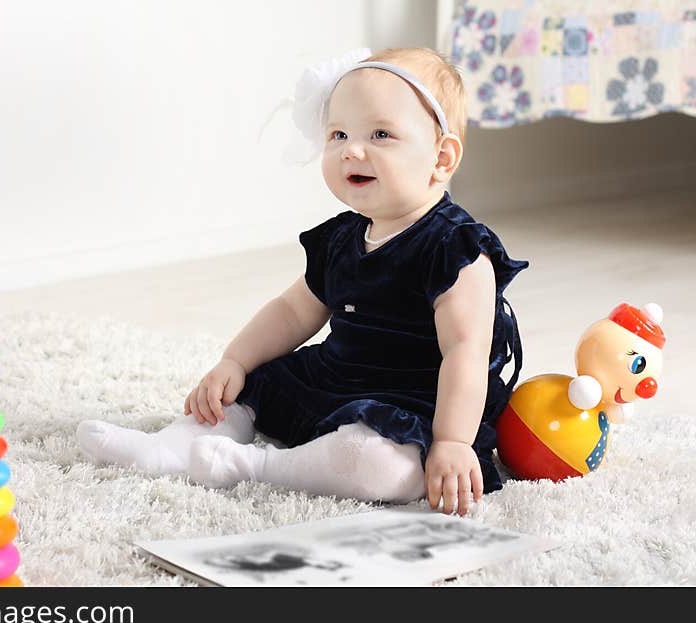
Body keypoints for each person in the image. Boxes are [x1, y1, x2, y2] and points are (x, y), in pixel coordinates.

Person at [78, 47, 528, 516]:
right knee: (249, 386)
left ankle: (255, 466)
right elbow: (294, 311)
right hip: (336, 375)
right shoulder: (341, 238)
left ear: (441, 157)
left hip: (417, 399)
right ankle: (170, 447)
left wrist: (453, 441)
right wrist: (234, 360)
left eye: (380, 134)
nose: (352, 149)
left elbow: (466, 352)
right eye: (338, 134)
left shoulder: (456, 249)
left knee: (384, 465)